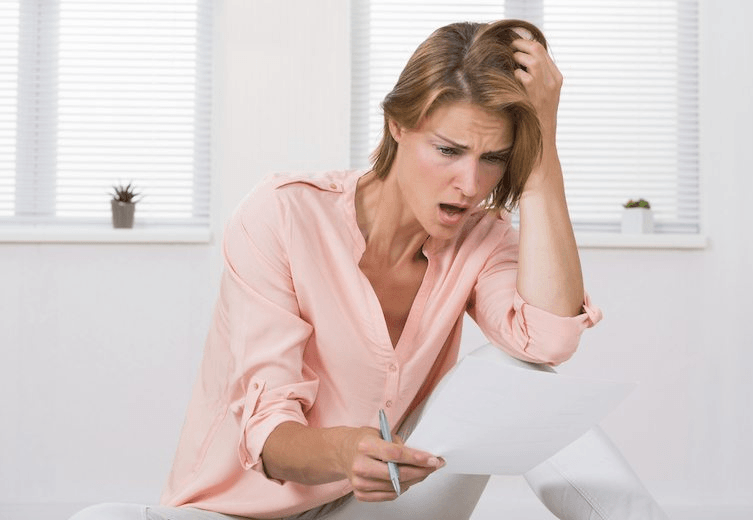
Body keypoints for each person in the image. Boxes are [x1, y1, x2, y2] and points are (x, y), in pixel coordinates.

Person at [70, 19, 668, 520]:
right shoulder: (282, 215)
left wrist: (542, 160)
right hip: (236, 513)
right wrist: (347, 451)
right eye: (449, 150)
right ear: (397, 125)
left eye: (495, 158)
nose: (472, 182)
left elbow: (548, 340)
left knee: (520, 373)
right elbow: (269, 437)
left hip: (375, 509)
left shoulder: (481, 238)